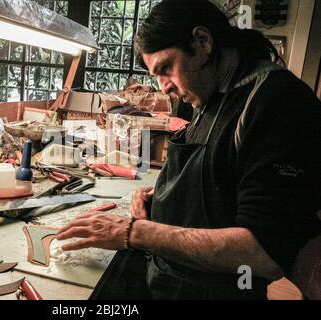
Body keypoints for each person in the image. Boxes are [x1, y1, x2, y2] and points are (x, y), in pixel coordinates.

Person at [56, 0, 321, 299]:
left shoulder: (279, 104)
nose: (163, 86)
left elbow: (262, 253)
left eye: (166, 68)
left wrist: (133, 232)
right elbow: (220, 185)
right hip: (170, 279)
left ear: (202, 42)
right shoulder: (207, 92)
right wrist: (160, 199)